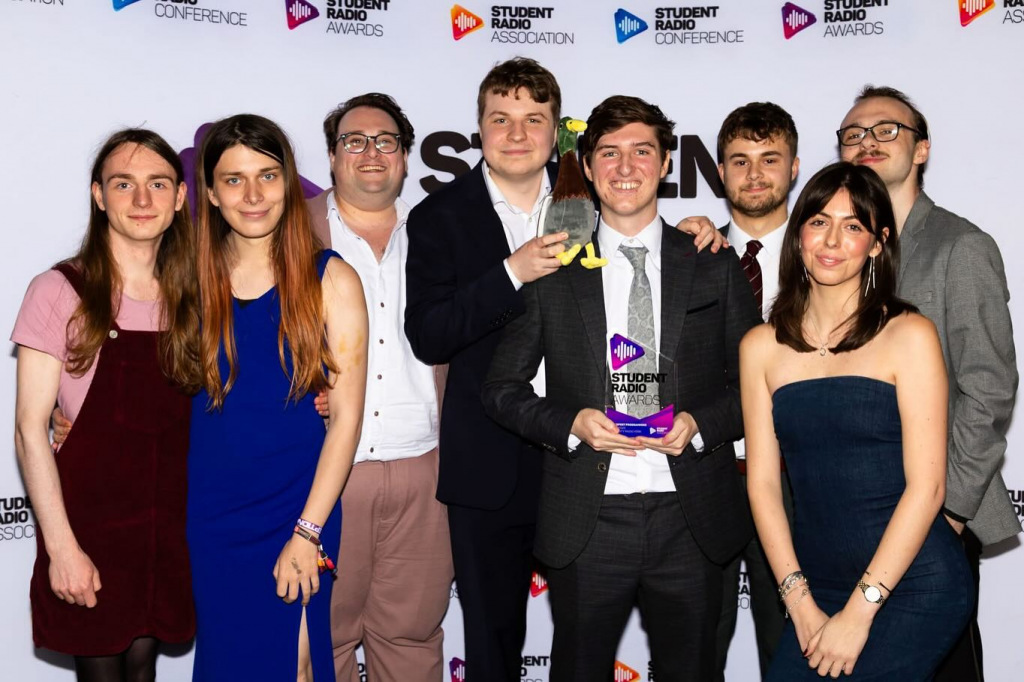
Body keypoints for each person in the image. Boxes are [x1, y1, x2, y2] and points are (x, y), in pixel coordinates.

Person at [404, 58, 724, 681]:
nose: (517, 133)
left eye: (534, 119)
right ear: (479, 128)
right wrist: (510, 273)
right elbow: (429, 334)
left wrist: (697, 227)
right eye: (501, 119)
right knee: (494, 645)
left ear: (558, 132)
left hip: (593, 461)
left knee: (581, 647)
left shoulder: (597, 196)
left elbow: (652, 243)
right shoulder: (437, 218)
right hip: (491, 465)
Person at [482, 95, 760, 682]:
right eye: (608, 153)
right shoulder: (554, 269)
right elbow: (502, 389)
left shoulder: (713, 263)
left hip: (693, 518)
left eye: (642, 152)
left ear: (665, 164)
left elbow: (759, 386)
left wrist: (701, 424)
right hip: (588, 518)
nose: (625, 168)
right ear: (586, 165)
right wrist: (570, 425)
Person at [742, 161, 973, 679]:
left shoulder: (908, 334)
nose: (832, 239)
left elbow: (928, 487)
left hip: (912, 582)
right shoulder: (761, 346)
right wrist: (798, 603)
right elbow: (761, 485)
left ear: (876, 244)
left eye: (854, 226)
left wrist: (861, 610)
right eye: (819, 221)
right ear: (799, 232)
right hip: (815, 584)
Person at [838, 86, 1019, 681]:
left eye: (886, 130)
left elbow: (989, 388)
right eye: (854, 133)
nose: (867, 141)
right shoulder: (835, 249)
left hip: (932, 510)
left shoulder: (959, 246)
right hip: (850, 511)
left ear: (922, 150)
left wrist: (951, 510)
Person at [13, 128, 200, 681]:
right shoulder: (60, 290)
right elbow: (29, 432)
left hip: (168, 531)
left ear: (180, 198)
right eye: (124, 184)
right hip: (90, 532)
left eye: (158, 184)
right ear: (99, 195)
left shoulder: (195, 297)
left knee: (144, 671)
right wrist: (62, 550)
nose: (142, 201)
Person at [187, 114, 367, 682]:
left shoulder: (331, 280)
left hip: (295, 510)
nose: (253, 194)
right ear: (211, 193)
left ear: (289, 183)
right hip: (212, 518)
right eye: (234, 179)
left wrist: (307, 531)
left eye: (267, 175)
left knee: (293, 665)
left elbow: (345, 422)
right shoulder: (191, 280)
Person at [307, 93, 452, 682]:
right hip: (323, 473)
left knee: (412, 639)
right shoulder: (290, 231)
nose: (371, 152)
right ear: (333, 157)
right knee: (323, 639)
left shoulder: (443, 234)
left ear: (405, 156)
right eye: (354, 141)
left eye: (386, 141)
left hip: (426, 471)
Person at [714, 101, 800, 680]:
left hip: (800, 484)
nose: (754, 174)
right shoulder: (686, 256)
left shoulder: (832, 256)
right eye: (740, 160)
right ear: (720, 171)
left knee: (792, 648)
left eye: (770, 159)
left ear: (795, 167)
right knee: (693, 649)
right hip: (706, 481)